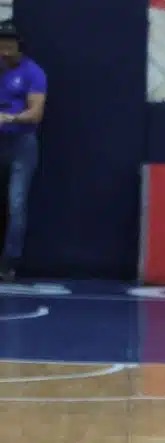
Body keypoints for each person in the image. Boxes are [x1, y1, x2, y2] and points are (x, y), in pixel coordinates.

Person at [0, 19, 45, 281]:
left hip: (21, 144)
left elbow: (36, 113)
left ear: (19, 46)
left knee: (16, 204)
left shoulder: (33, 73)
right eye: (1, 44)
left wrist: (9, 118)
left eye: (8, 44)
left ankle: (8, 263)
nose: (4, 50)